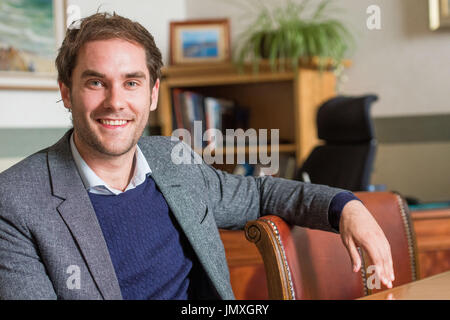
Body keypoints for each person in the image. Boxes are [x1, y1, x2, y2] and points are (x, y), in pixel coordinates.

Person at [0, 12, 394, 300]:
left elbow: (260, 194)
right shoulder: (16, 201)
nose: (115, 102)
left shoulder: (173, 160)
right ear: (67, 92)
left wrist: (347, 207)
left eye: (131, 82)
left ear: (152, 94)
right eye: (95, 82)